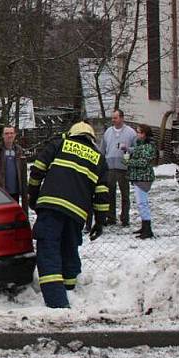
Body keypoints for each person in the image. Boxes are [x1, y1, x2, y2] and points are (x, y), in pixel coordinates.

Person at [28, 122, 110, 308]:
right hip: (76, 214)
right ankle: (70, 290)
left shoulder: (59, 144)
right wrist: (100, 222)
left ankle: (57, 303)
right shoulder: (99, 159)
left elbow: (37, 170)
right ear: (91, 138)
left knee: (48, 251)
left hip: (51, 207)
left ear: (71, 134)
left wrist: (33, 196)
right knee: (69, 249)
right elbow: (102, 194)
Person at [100, 109, 137, 227]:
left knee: (125, 194)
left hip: (123, 167)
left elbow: (136, 149)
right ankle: (110, 217)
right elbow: (102, 149)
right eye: (112, 118)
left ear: (122, 118)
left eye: (115, 118)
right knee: (109, 193)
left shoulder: (131, 132)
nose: (113, 120)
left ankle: (125, 218)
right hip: (110, 167)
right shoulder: (108, 132)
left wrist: (127, 149)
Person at [126, 124, 157, 239]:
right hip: (138, 177)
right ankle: (144, 226)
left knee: (142, 203)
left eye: (139, 132)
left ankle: (148, 230)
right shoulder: (141, 145)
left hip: (143, 178)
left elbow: (143, 163)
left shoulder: (148, 147)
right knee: (141, 203)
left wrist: (128, 163)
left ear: (144, 134)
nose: (137, 134)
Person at [0, 126, 27, 205]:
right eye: (6, 133)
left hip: (16, 190)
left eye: (11, 133)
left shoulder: (18, 150)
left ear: (15, 135)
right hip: (1, 190)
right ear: (3, 135)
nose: (9, 135)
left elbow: (22, 168)